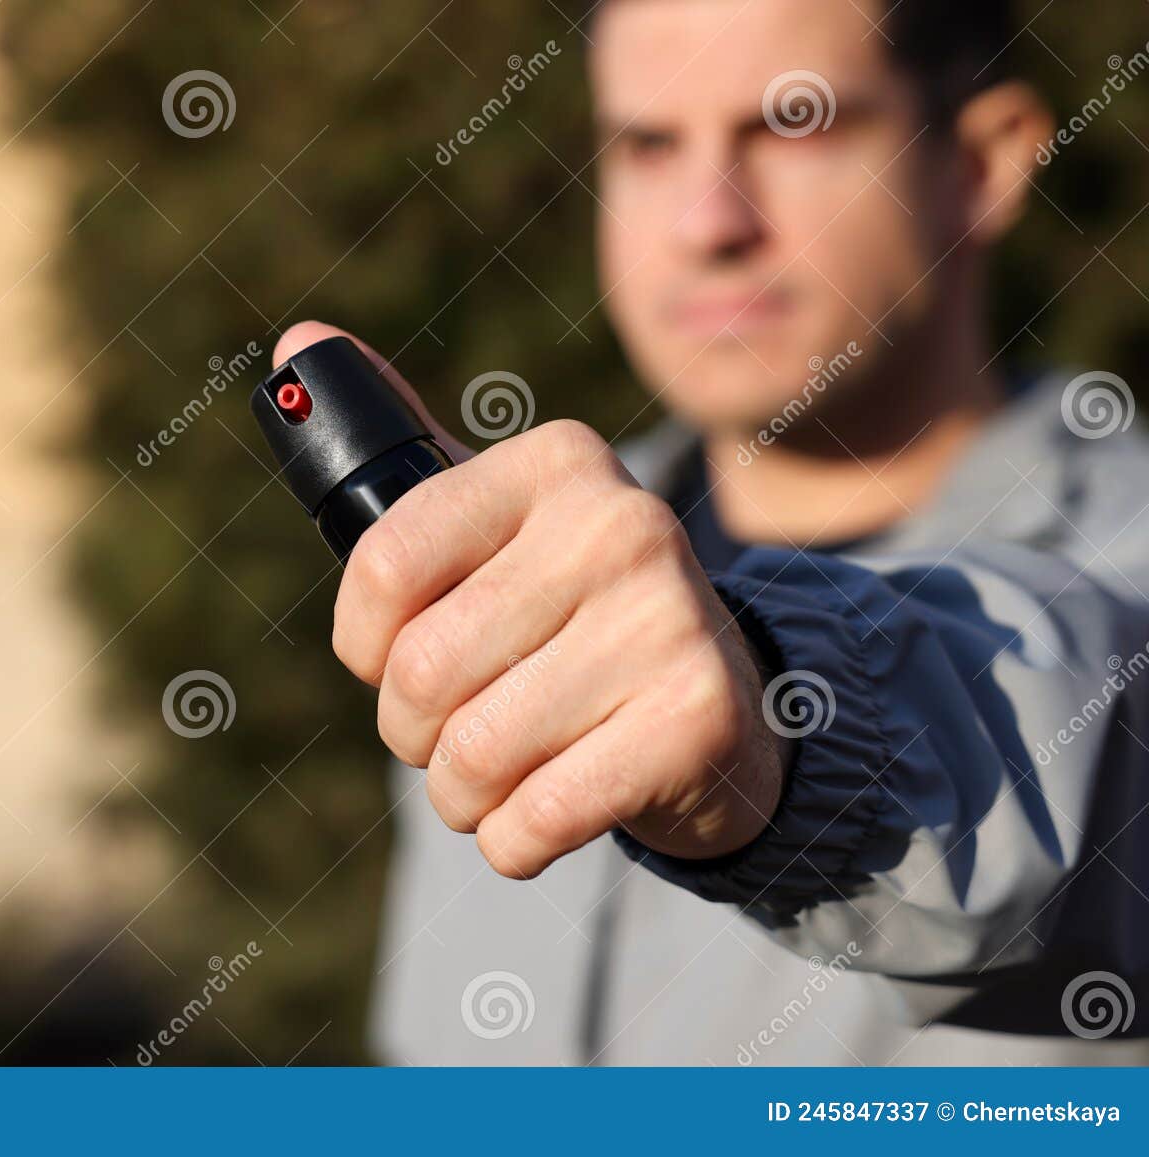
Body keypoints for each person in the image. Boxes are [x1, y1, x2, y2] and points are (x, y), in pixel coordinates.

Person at [270, 0, 1149, 1064]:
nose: (708, 220)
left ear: (982, 162)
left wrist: (783, 733)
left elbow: (1091, 748)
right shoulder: (501, 567)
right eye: (648, 143)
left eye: (793, 124)